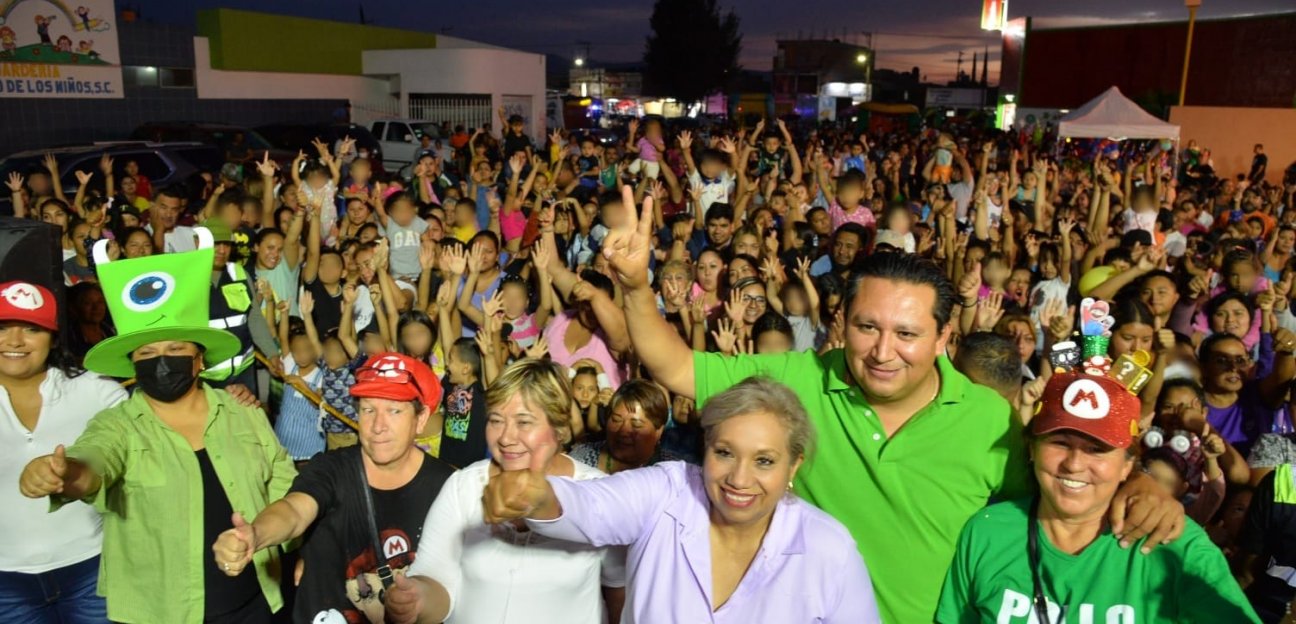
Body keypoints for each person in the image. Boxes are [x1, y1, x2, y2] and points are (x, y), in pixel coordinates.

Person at [600, 187, 1184, 623]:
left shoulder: (988, 419)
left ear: (943, 335)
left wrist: (1134, 488)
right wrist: (633, 284)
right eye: (866, 327)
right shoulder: (800, 381)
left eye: (906, 334)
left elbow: (1054, 505)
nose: (883, 352)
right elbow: (674, 366)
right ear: (841, 323)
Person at [17, 243, 297, 623]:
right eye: (146, 354)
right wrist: (65, 473)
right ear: (132, 363)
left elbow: (288, 489)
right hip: (158, 613)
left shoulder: (243, 412)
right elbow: (96, 460)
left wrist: (304, 551)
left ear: (198, 360)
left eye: (175, 348)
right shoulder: (118, 425)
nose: (162, 362)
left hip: (258, 604)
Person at [480, 376, 881, 622]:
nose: (739, 479)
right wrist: (537, 495)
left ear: (793, 467)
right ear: (705, 447)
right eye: (724, 453)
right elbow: (590, 505)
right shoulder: (667, 489)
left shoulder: (830, 549)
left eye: (764, 460)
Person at [936, 370, 1258, 623]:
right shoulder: (987, 531)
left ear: (1128, 466)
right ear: (1031, 449)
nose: (1074, 464)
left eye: (1097, 450)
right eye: (1060, 442)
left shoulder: (1174, 543)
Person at [211, 352, 455, 623]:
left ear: (420, 419)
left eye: (394, 410)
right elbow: (294, 510)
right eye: (368, 409)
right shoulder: (330, 469)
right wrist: (256, 534)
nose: (377, 426)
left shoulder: (449, 488)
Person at [383, 359, 626, 624]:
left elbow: (619, 591)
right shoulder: (463, 487)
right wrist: (417, 600)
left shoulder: (597, 493)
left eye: (524, 422)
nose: (506, 438)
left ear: (560, 428)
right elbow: (436, 581)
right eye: (496, 420)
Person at [1, 281, 127, 623]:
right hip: (6, 584)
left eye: (31, 328)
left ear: (54, 336)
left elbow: (138, 458)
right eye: (3, 328)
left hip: (94, 569)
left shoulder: (97, 392)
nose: (14, 341)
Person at [570, 379, 680, 473]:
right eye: (616, 420)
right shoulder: (580, 460)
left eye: (636, 425)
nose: (623, 431)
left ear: (658, 431)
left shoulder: (673, 471)